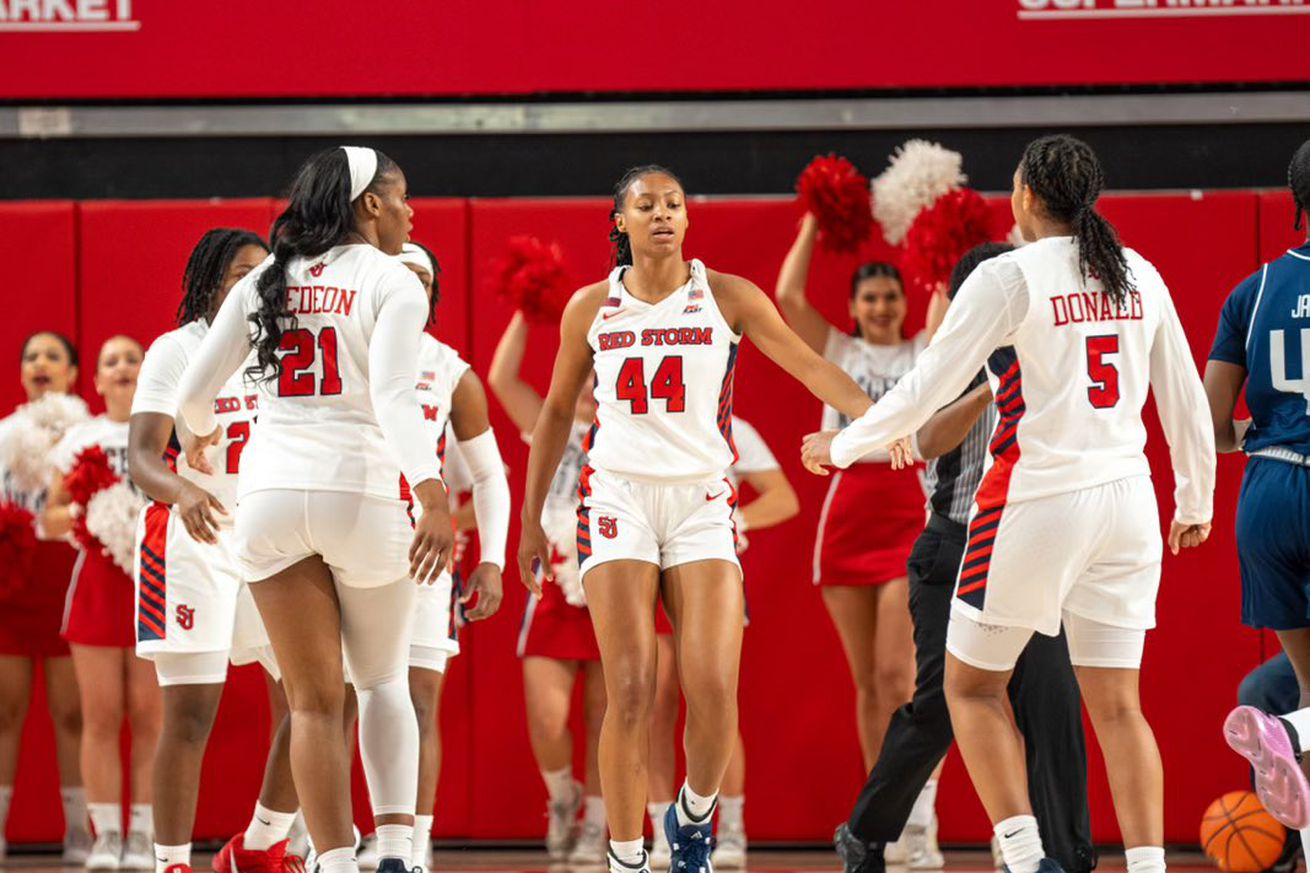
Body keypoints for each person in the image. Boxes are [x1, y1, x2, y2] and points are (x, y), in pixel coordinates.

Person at [803, 134, 1215, 873]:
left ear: (1024, 195)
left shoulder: (1010, 276)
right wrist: (1195, 493)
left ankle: (1028, 860)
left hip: (1037, 500)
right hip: (1130, 501)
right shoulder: (1139, 273)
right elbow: (1183, 393)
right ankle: (1149, 866)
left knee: (968, 688)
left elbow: (925, 384)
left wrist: (838, 445)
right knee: (1120, 707)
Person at [517, 164, 872, 873]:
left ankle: (694, 817)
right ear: (620, 220)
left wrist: (884, 418)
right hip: (616, 497)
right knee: (631, 689)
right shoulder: (592, 307)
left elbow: (807, 365)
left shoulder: (728, 295)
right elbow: (555, 411)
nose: (662, 214)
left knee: (711, 688)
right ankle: (625, 856)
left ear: (688, 218)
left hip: (703, 501)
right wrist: (530, 521)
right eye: (645, 204)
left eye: (673, 204)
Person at [176, 146, 492, 873]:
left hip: (270, 495)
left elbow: (192, 397)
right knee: (381, 681)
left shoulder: (262, 278)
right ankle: (397, 850)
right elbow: (391, 397)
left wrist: (200, 434)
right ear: (370, 205)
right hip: (363, 490)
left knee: (312, 705)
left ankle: (336, 861)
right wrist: (433, 490)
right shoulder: (393, 280)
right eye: (403, 197)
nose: (413, 212)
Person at [832, 243, 1095, 873]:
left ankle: (1062, 857)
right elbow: (924, 441)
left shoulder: (1051, 345)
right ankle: (866, 831)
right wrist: (987, 389)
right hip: (953, 545)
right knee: (941, 706)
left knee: (1052, 699)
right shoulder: (951, 354)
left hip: (1029, 545)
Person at [126, 228, 306, 873]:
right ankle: (171, 863)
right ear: (207, 281)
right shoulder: (176, 350)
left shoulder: (281, 347)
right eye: (238, 273)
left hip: (271, 535)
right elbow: (142, 458)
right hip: (194, 537)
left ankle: (260, 846)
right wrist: (183, 492)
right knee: (191, 714)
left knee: (314, 698)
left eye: (263, 272)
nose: (253, 282)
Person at [775, 213, 944, 834]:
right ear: (853, 305)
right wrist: (817, 216)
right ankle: (882, 817)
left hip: (909, 511)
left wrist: (932, 228)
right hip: (846, 516)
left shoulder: (926, 348)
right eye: (869, 297)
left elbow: (950, 294)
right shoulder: (839, 350)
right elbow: (788, 296)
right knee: (869, 684)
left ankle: (919, 812)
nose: (880, 306)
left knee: (903, 675)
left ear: (904, 301)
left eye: (890, 295)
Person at [397, 241, 509, 873]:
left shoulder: (449, 371)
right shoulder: (340, 350)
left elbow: (489, 477)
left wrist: (490, 559)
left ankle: (413, 844)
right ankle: (310, 837)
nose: (410, 285)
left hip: (422, 556)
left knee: (417, 702)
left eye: (421, 278)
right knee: (329, 697)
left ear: (433, 293)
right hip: (342, 544)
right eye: (399, 273)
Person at [1209, 138, 1310, 841]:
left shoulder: (1256, 289)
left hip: (1270, 491)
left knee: (1307, 681)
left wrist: (1265, 435)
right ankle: (1290, 725)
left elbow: (1212, 425)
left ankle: (1287, 729)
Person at [646, 415, 799, 870]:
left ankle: (728, 824)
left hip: (706, 565)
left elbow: (784, 497)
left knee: (711, 696)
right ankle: (660, 828)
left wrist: (735, 520)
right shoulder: (634, 419)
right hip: (646, 563)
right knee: (655, 703)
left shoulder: (731, 426)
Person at [488, 309, 608, 864]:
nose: (590, 383)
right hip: (555, 584)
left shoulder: (627, 431)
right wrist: (525, 310)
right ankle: (564, 798)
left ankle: (602, 825)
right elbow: (502, 379)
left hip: (611, 573)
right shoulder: (551, 424)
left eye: (599, 373)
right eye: (583, 372)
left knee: (608, 716)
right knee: (547, 715)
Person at [45, 335, 161, 871]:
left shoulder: (166, 428)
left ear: (147, 371)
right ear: (94, 380)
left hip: (156, 581)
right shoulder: (78, 440)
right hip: (96, 584)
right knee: (100, 716)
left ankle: (143, 833)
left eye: (132, 359)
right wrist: (97, 517)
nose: (122, 368)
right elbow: (50, 518)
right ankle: (106, 836)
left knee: (149, 714)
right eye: (110, 361)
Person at [0, 331, 92, 864]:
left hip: (66, 579)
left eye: (52, 356)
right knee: (4, 711)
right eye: (30, 355)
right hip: (12, 584)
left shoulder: (87, 434)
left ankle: (79, 831)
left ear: (73, 373)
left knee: (72, 712)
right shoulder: (5, 434)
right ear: (21, 373)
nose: (40, 363)